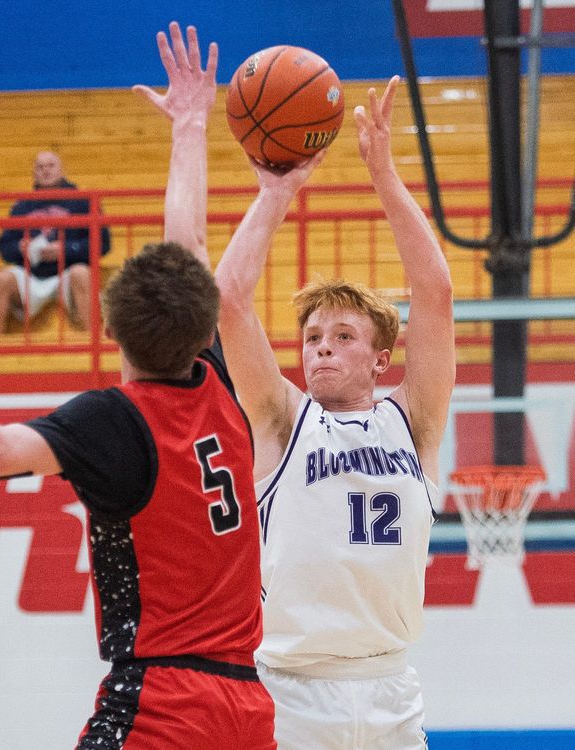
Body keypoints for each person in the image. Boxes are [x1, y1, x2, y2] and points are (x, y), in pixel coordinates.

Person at [0, 23, 275, 750]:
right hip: (250, 706)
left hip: (162, 702)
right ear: (201, 326)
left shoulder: (116, 420)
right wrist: (190, 127)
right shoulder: (223, 387)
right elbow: (187, 243)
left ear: (113, 334)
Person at [213, 77, 456, 749]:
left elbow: (435, 292)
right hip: (289, 688)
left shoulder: (414, 422)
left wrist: (383, 174)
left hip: (391, 685)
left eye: (343, 337)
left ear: (382, 358)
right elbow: (229, 299)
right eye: (313, 338)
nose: (321, 349)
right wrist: (277, 191)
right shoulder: (283, 419)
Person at [0, 150, 110, 334]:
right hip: (31, 274)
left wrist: (66, 249)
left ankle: (93, 340)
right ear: (34, 173)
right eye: (40, 167)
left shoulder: (83, 201)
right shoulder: (22, 206)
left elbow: (103, 244)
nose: (45, 171)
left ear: (62, 170)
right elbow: (4, 246)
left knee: (82, 274)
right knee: (0, 279)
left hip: (68, 272)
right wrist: (20, 248)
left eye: (51, 166)